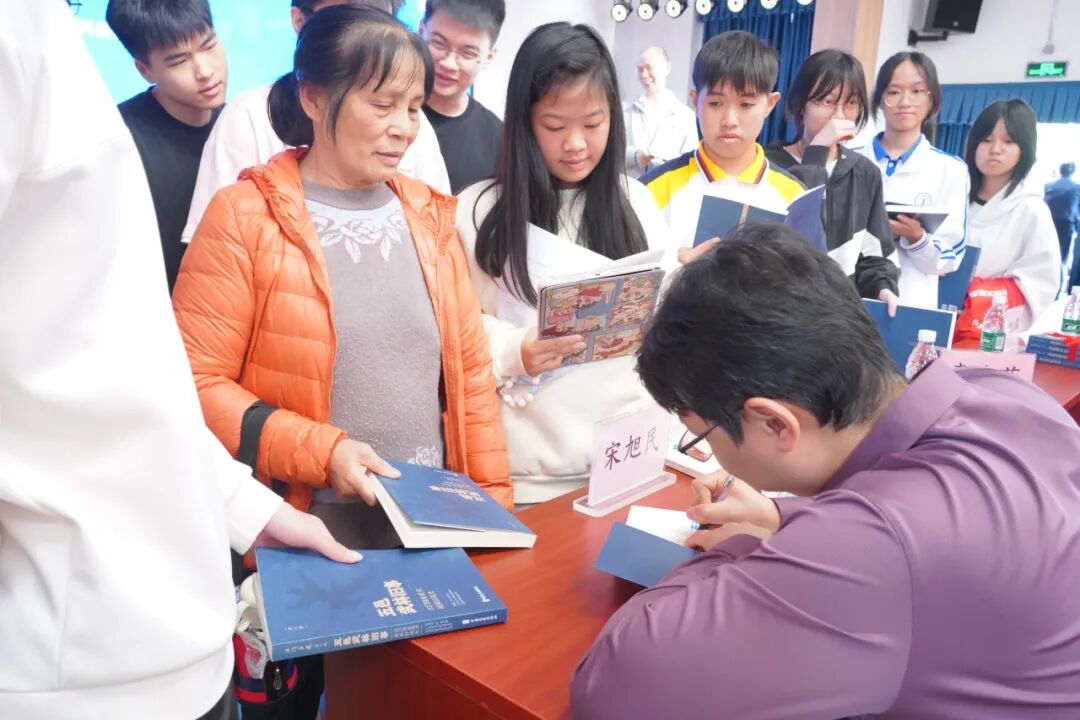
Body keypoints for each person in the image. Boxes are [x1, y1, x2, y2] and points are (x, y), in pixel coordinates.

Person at [0, 2, 359, 718]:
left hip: (185, 625)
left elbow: (121, 356)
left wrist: (236, 504)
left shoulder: (40, 30)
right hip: (71, 655)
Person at [571, 223, 1080, 719]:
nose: (709, 450)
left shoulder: (874, 545)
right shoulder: (1002, 393)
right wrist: (785, 517)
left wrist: (747, 546)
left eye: (701, 434)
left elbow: (614, 688)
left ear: (774, 423)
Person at [173, 3, 512, 527]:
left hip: (431, 522)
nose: (403, 129)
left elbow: (472, 386)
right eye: (382, 105)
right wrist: (323, 452)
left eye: (413, 108)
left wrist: (494, 518)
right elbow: (194, 384)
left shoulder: (429, 218)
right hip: (306, 524)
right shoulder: (244, 216)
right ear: (313, 97)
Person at [455, 22, 668, 504]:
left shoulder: (635, 202)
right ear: (523, 122)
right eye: (554, 126)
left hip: (627, 460)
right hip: (523, 469)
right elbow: (456, 330)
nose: (575, 143)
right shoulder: (477, 210)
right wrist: (516, 350)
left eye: (593, 124)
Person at [181, 0, 450, 244]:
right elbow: (215, 246)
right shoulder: (248, 116)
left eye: (378, 12)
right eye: (381, 105)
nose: (402, 128)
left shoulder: (417, 133)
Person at [641, 31, 805, 253]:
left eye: (746, 105)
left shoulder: (795, 197)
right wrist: (674, 265)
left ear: (770, 104)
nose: (729, 120)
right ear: (695, 102)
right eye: (715, 103)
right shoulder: (651, 190)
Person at [764, 49, 900, 312]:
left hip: (838, 315)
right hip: (778, 310)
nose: (839, 115)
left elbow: (876, 254)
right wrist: (817, 151)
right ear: (800, 105)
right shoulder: (769, 165)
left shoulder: (864, 172)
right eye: (826, 101)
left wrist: (883, 287)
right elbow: (798, 236)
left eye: (851, 103)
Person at [107, 0, 227, 292]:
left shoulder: (238, 123)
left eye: (209, 46)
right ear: (144, 70)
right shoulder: (119, 139)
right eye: (179, 62)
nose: (204, 71)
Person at [853, 51, 968, 310]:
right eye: (894, 92)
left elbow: (951, 257)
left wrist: (916, 237)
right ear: (880, 100)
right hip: (850, 297)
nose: (905, 101)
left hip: (912, 299)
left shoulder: (950, 169)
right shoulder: (850, 159)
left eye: (917, 91)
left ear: (932, 100)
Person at [962, 99, 1060, 334]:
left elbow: (1039, 281)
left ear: (1025, 148)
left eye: (1008, 141)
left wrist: (975, 295)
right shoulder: (953, 196)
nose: (995, 149)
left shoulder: (1031, 210)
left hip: (987, 329)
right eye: (986, 140)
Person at [419, 0, 505, 193]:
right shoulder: (385, 110)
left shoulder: (499, 141)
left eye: (467, 53)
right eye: (439, 43)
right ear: (421, 31)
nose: (449, 64)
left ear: (488, 57)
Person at [623, 46, 698, 177]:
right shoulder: (625, 109)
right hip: (630, 185)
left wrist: (664, 164)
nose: (644, 75)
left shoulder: (685, 116)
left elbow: (691, 162)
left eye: (649, 67)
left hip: (667, 187)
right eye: (640, 69)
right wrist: (634, 155)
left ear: (667, 68)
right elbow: (611, 150)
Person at [1046, 162, 1080, 288]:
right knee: (1062, 256)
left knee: (1046, 253)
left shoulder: (1048, 186)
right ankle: (1057, 286)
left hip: (1047, 222)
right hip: (1066, 224)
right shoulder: (1077, 187)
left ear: (1060, 171)